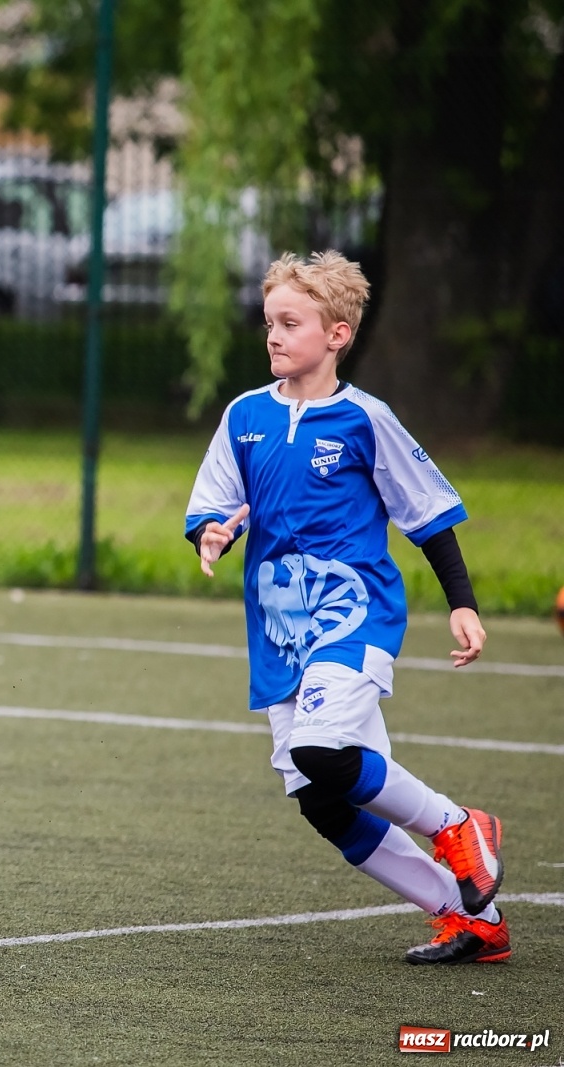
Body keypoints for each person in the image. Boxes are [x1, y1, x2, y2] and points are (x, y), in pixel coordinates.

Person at [186, 251, 507, 966]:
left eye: (290, 323)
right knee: (322, 797)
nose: (274, 335)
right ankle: (469, 917)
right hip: (279, 630)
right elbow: (217, 499)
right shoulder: (245, 417)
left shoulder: (366, 419)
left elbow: (425, 512)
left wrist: (462, 603)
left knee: (318, 751)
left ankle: (461, 825)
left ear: (336, 334)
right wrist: (211, 530)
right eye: (269, 321)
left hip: (351, 615)